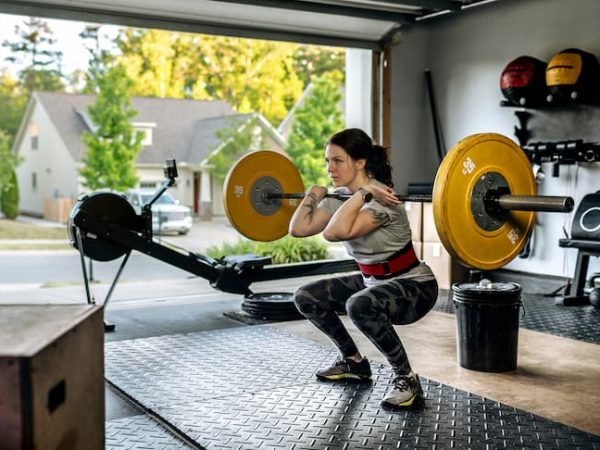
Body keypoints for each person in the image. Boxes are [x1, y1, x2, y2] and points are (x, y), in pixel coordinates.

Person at [289, 128, 438, 408]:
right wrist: (311, 196)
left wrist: (365, 193)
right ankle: (353, 362)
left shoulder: (383, 201)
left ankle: (407, 379)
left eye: (337, 161)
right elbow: (298, 229)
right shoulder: (340, 199)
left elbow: (335, 232)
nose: (329, 168)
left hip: (415, 288)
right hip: (373, 282)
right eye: (327, 161)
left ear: (360, 163)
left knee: (358, 305)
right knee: (305, 296)